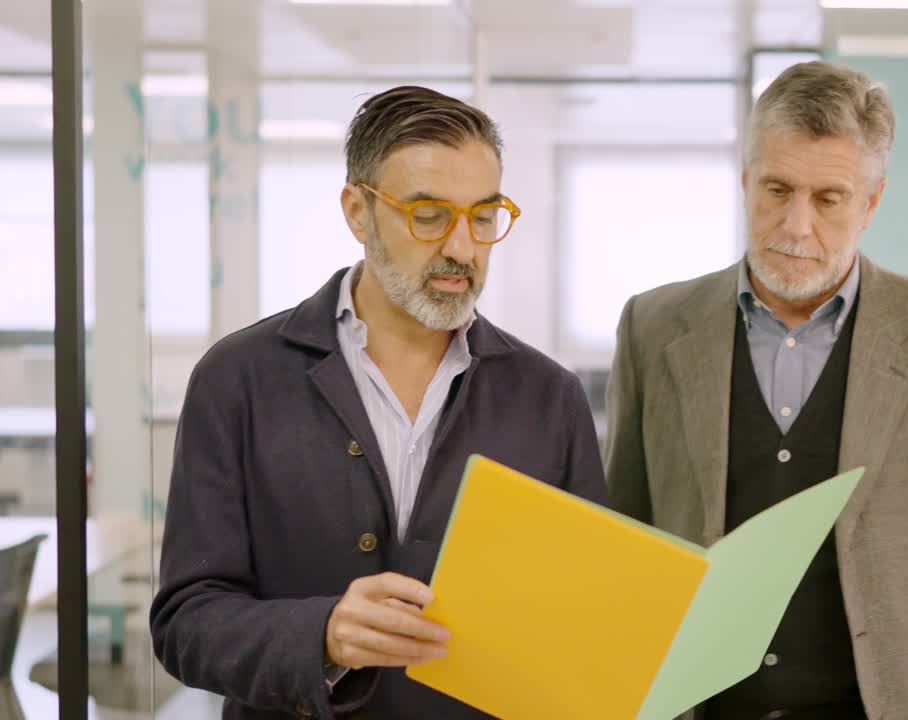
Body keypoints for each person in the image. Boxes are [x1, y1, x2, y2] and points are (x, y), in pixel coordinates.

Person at [605, 61, 908, 719]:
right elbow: (624, 547)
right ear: (744, 182)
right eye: (776, 189)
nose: (796, 227)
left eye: (829, 199)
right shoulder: (652, 328)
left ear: (871, 202)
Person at [151, 86, 607, 720]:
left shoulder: (549, 397)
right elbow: (185, 621)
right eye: (428, 215)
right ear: (357, 211)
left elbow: (585, 613)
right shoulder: (237, 379)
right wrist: (323, 636)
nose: (462, 248)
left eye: (482, 216)